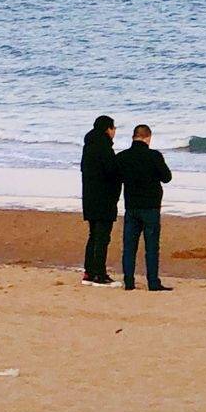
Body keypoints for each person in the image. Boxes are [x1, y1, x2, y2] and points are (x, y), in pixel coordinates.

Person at [117, 123, 172, 292]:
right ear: (148, 137)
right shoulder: (154, 156)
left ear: (134, 137)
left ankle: (128, 281)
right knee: (152, 247)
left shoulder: (122, 157)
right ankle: (153, 282)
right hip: (151, 206)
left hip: (131, 205)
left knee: (129, 246)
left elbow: (115, 177)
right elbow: (166, 177)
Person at [79, 114, 121, 284]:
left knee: (93, 235)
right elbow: (111, 171)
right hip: (103, 198)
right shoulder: (104, 147)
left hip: (89, 197)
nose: (114, 132)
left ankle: (89, 272)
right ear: (108, 129)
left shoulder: (88, 146)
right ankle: (99, 274)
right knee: (102, 237)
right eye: (114, 128)